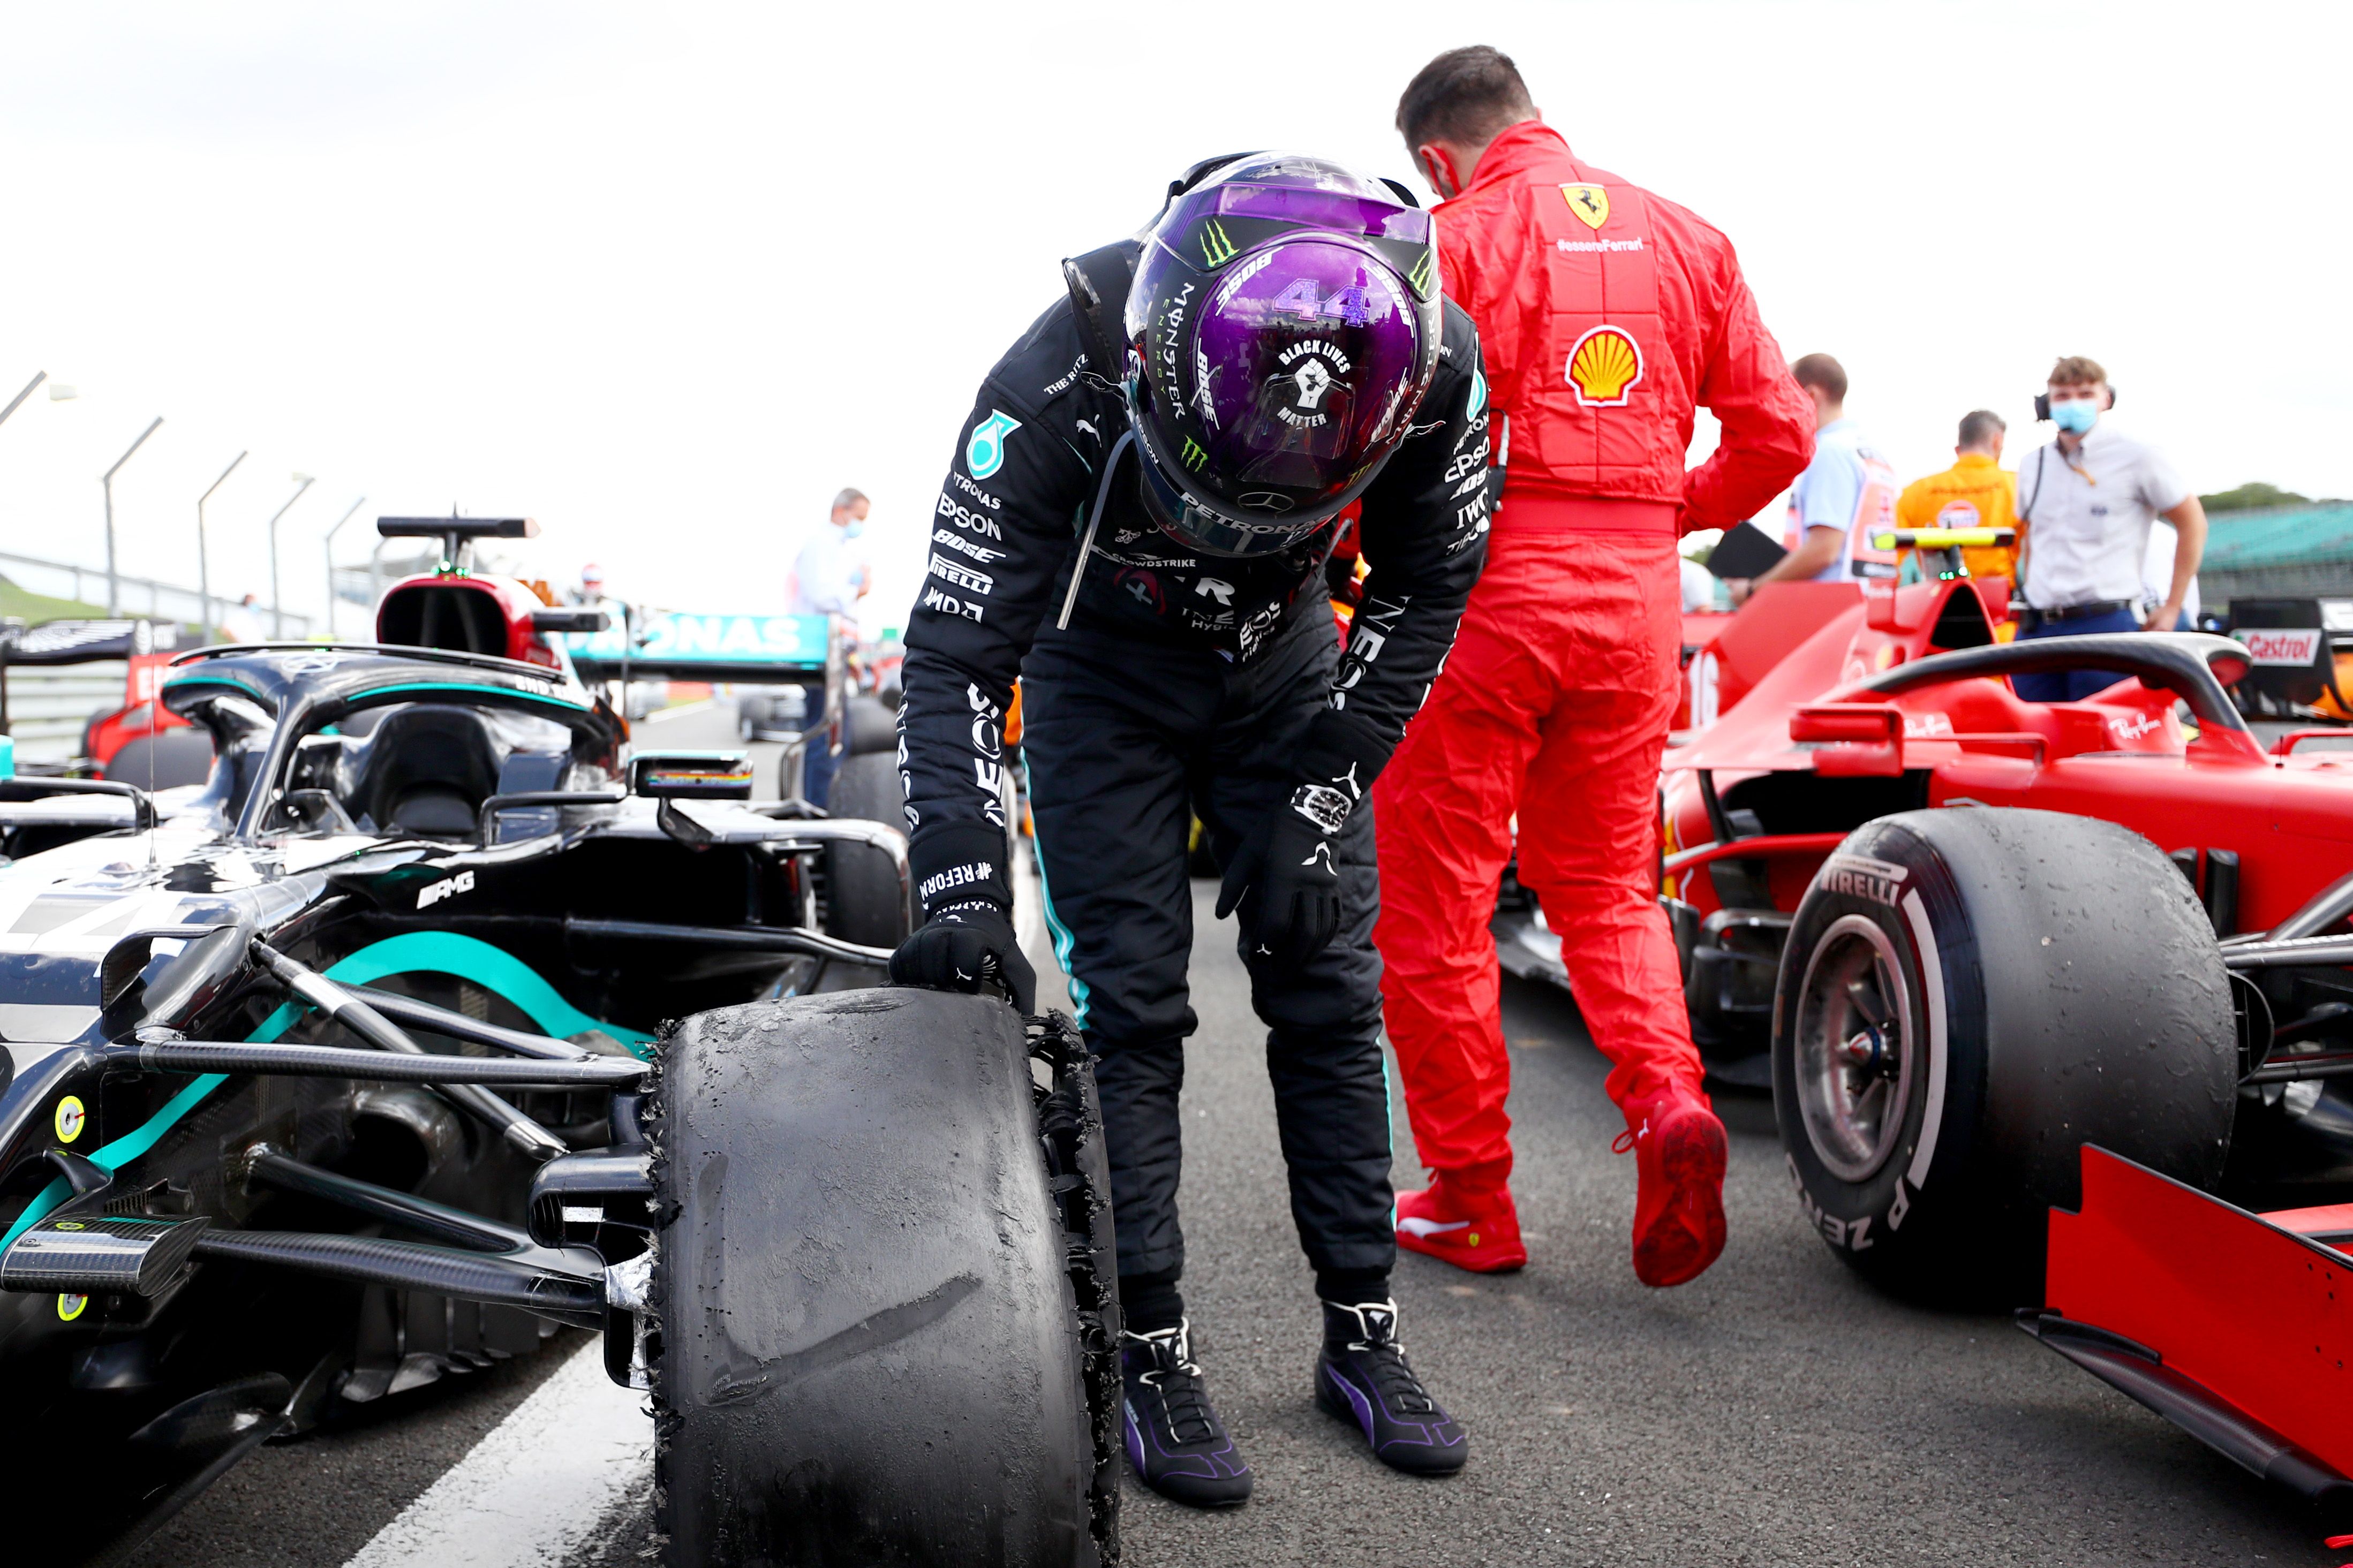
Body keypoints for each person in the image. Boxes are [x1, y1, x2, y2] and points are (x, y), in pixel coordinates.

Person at [885, 153, 1490, 1504]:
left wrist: (1325, 782)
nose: (1226, 529)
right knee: (1133, 1008)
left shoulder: (1438, 369)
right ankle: (1146, 1343)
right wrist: (963, 877)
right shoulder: (1057, 371)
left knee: (1330, 989)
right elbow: (952, 656)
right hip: (1100, 677)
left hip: (1286, 668)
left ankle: (1361, 1334)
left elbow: (1432, 578)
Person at [1372, 47, 1813, 1287]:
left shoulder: (1446, 239)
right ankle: (1668, 1098)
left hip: (1481, 603)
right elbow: (1778, 433)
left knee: (1441, 904)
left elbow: (1374, 439)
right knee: (1606, 887)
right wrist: (1665, 511)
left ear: (1432, 158)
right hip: (1631, 605)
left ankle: (1470, 1200)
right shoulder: (1689, 237)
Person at [2011, 355, 2207, 700]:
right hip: (2038, 626)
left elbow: (2192, 522)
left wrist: (2173, 607)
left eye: (2086, 393)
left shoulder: (2138, 456)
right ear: (2046, 404)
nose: (2074, 403)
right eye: (2062, 396)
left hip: (2104, 622)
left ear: (2107, 398)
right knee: (2031, 735)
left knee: (2102, 743)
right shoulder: (2032, 465)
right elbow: (2030, 536)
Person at [1727, 353, 1897, 602]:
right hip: (1868, 601)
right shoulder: (1869, 453)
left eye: (1785, 394)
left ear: (1811, 397)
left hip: (1830, 607)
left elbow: (1824, 550)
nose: (1779, 405)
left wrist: (1754, 590)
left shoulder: (1830, 451)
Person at [788, 488, 873, 806]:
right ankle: (817, 809)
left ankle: (824, 806)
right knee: (823, 738)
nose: (860, 526)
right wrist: (857, 590)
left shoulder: (836, 548)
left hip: (832, 651)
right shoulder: (820, 545)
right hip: (818, 653)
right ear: (842, 511)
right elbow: (823, 598)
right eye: (859, 518)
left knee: (835, 738)